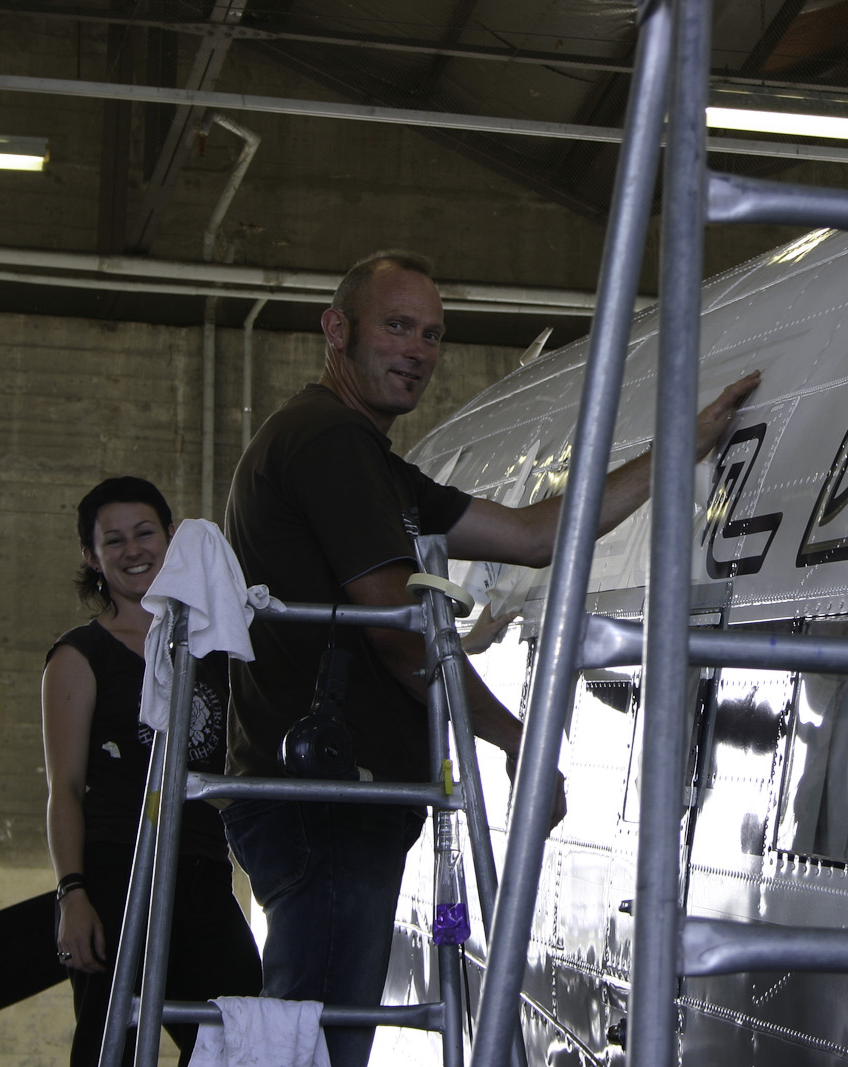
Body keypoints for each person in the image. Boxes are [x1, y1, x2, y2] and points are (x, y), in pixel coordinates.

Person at [221, 249, 758, 1066]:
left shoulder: (370, 462)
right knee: (312, 1043)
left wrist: (683, 445)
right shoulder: (327, 441)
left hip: (327, 802)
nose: (418, 351)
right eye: (397, 326)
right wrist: (512, 737)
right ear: (338, 329)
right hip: (324, 802)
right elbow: (400, 628)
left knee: (312, 1034)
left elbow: (537, 535)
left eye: (432, 334)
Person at [42, 477, 261, 1066]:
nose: (133, 550)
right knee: (106, 1047)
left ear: (171, 537)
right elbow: (63, 788)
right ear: (91, 556)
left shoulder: (210, 643)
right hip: (115, 869)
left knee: (239, 1037)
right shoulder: (79, 654)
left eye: (145, 533)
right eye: (113, 541)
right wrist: (73, 893)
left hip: (202, 867)